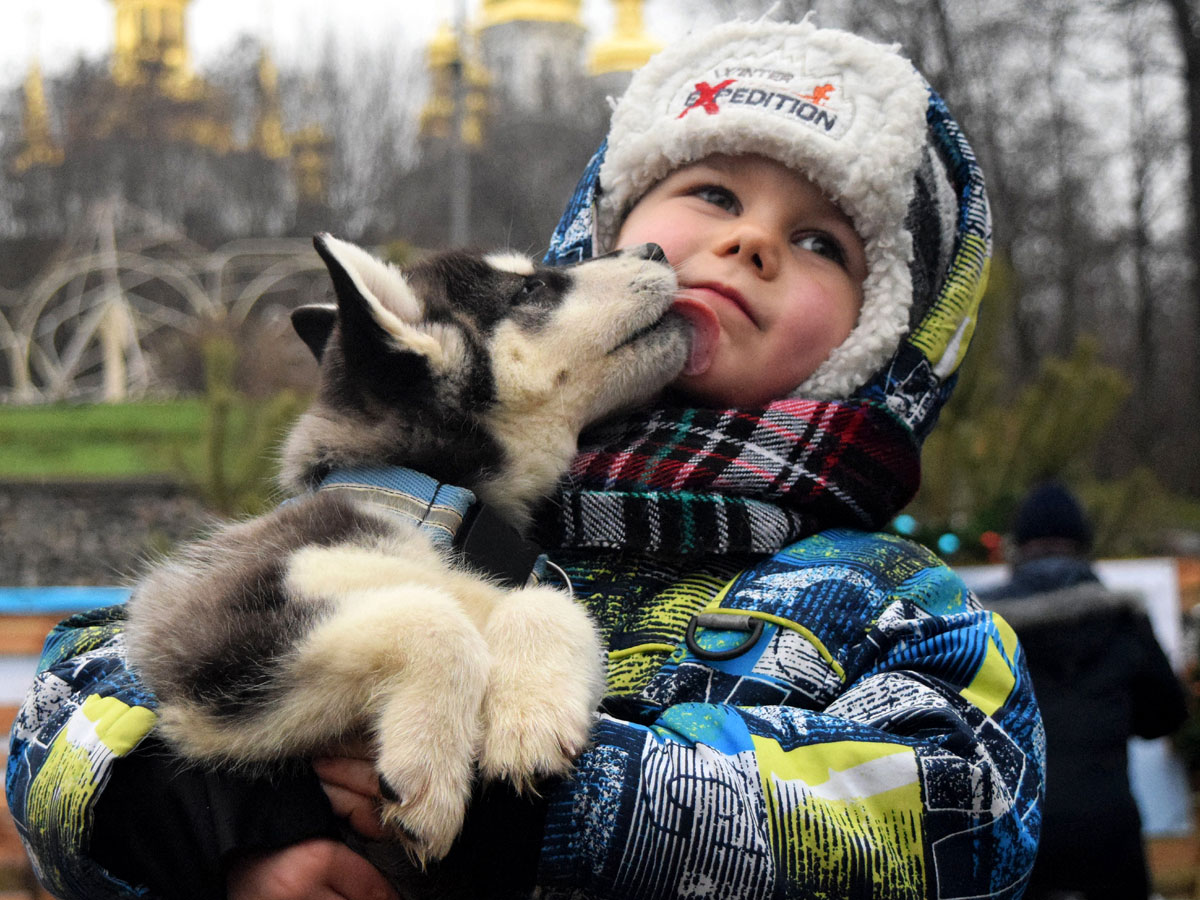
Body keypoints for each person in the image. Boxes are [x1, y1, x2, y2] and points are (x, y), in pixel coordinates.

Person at [7, 17, 1043, 900]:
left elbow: (964, 811)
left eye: (824, 242)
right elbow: (67, 707)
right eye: (714, 195)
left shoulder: (889, 598)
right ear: (607, 229)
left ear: (885, 337)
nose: (750, 244)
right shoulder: (430, 510)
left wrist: (539, 805)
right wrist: (231, 819)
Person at [978, 481, 1186, 900]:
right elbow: (1167, 715)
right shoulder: (1124, 621)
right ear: (1083, 545)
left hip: (1014, 833)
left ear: (1018, 547)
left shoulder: (982, 631)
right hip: (1108, 831)